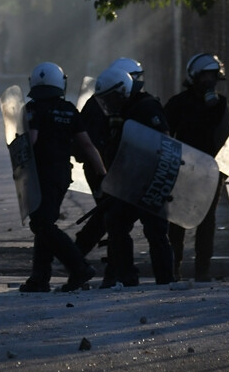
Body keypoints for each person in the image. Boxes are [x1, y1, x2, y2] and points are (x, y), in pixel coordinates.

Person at [19, 62, 108, 293]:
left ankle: (79, 267)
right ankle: (39, 279)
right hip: (61, 174)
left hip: (40, 175)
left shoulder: (32, 109)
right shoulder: (69, 110)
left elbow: (32, 139)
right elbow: (87, 146)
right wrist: (102, 174)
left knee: (42, 223)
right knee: (44, 223)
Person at [94, 65, 176, 286]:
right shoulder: (120, 113)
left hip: (151, 180)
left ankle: (166, 279)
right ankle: (126, 276)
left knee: (156, 231)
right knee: (115, 222)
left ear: (122, 91)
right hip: (129, 182)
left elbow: (164, 141)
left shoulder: (146, 106)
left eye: (110, 99)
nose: (108, 105)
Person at [164, 53, 229, 282]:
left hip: (211, 172)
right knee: (176, 220)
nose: (210, 80)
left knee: (207, 221)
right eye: (205, 75)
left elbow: (228, 139)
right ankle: (173, 269)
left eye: (213, 76)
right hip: (183, 170)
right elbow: (165, 138)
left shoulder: (222, 104)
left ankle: (202, 271)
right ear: (194, 76)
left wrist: (228, 169)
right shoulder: (178, 103)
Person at [74, 57, 145, 258]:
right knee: (111, 216)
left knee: (110, 217)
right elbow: (95, 141)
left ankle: (81, 254)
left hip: (106, 168)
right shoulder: (102, 104)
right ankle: (78, 255)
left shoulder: (107, 101)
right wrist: (105, 173)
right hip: (102, 169)